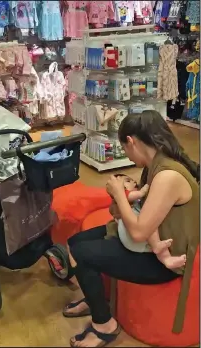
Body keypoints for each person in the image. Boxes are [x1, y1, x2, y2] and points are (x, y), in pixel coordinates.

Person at [63, 111, 199, 348]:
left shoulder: (167, 176)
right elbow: (128, 214)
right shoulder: (155, 165)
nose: (125, 154)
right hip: (149, 242)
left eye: (124, 148)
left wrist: (119, 195)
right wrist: (121, 200)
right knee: (75, 243)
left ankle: (105, 325)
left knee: (81, 255)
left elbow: (138, 232)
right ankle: (97, 298)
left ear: (132, 142)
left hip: (162, 257)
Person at [108, 174, 187, 270]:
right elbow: (138, 194)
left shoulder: (124, 202)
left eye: (133, 180)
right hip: (131, 234)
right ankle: (159, 249)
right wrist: (145, 189)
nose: (134, 182)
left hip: (133, 241)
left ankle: (167, 259)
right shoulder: (124, 195)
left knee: (155, 237)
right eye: (128, 181)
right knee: (150, 226)